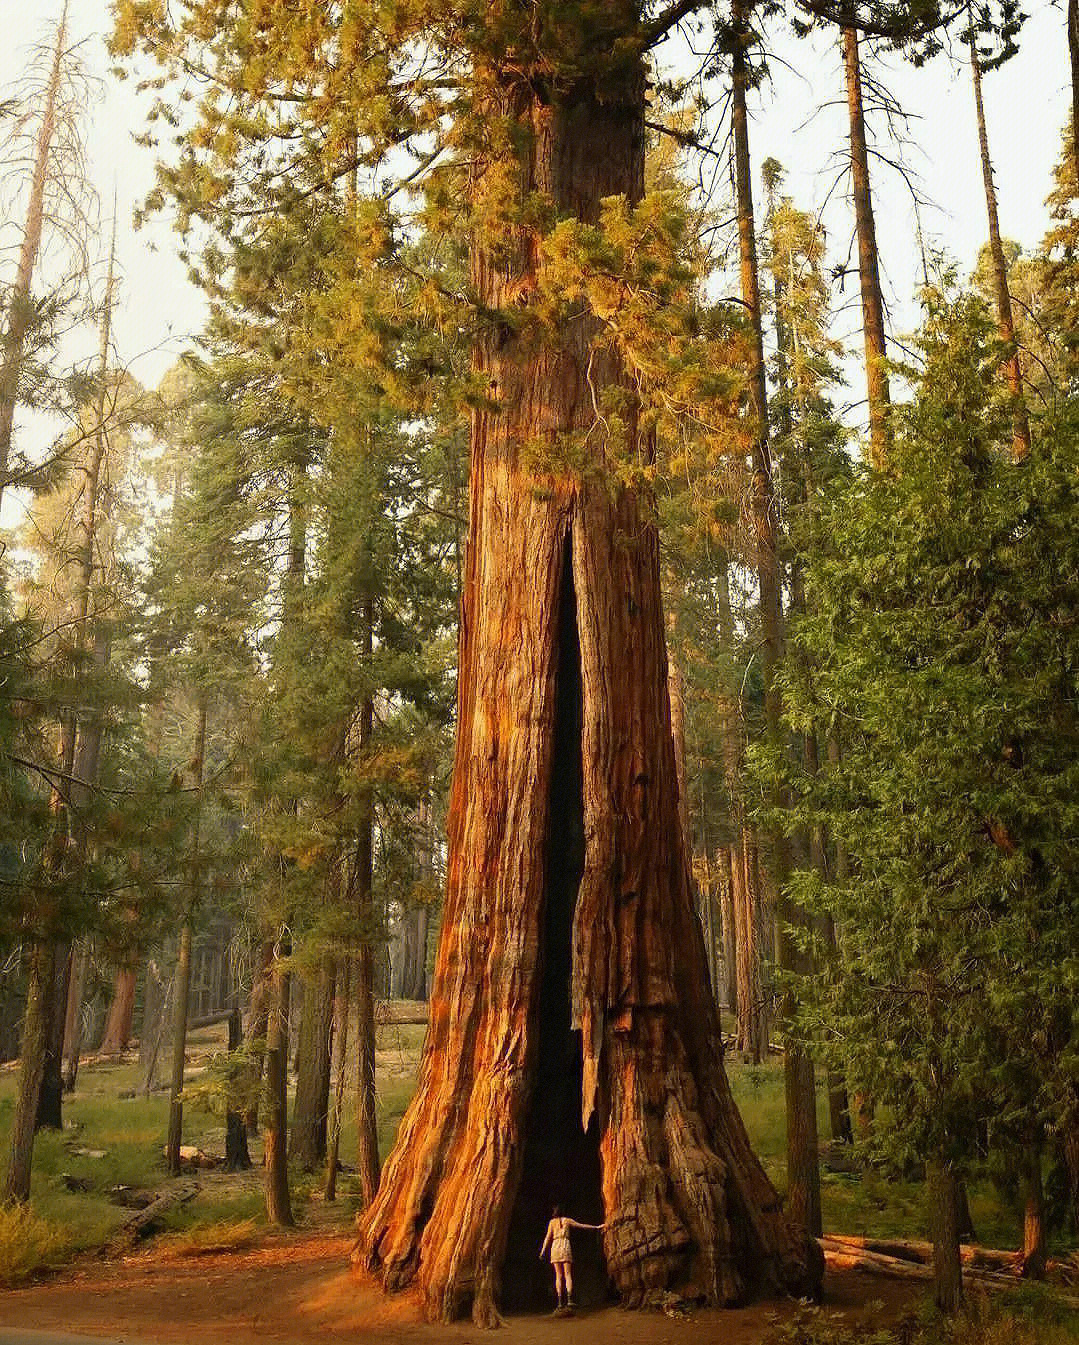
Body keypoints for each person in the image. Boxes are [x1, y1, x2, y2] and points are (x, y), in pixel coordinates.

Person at [539, 1205, 605, 1312]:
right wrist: (596, 1227)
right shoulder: (567, 1220)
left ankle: (560, 1302)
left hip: (555, 1247)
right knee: (568, 1274)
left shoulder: (552, 1223)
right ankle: (569, 1299)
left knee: (558, 1276)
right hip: (565, 1245)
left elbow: (547, 1238)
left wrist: (542, 1251)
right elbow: (581, 1225)